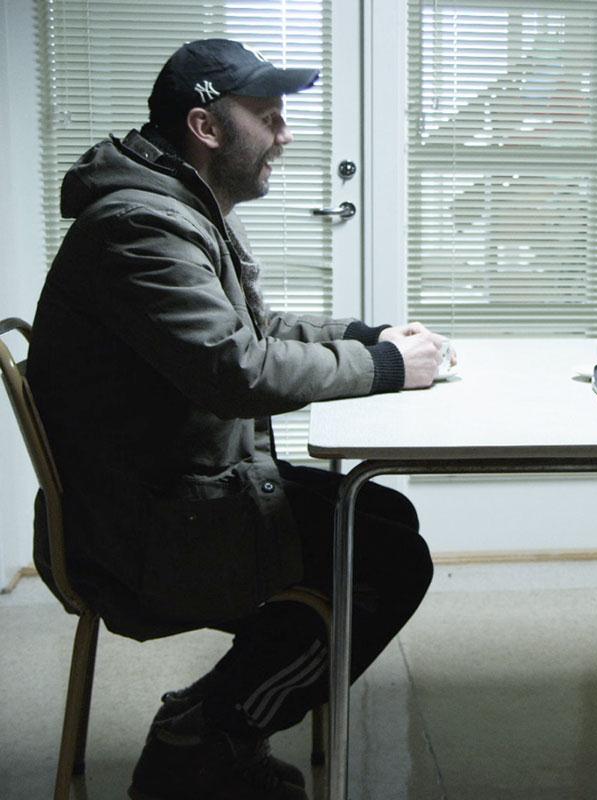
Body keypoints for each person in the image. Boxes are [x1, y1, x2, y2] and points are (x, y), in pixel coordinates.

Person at [28, 39, 450, 800]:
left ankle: (218, 706)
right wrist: (386, 368)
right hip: (145, 531)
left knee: (383, 516)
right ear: (206, 127)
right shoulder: (140, 227)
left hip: (172, 491)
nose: (284, 135)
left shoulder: (174, 205)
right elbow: (236, 370)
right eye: (268, 117)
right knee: (389, 562)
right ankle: (209, 734)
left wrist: (368, 337)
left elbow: (250, 331)